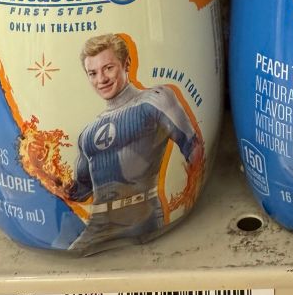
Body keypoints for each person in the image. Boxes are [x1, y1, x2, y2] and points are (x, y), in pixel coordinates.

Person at [65, 33, 204, 250]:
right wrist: (47, 177)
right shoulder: (87, 133)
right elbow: (81, 190)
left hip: (143, 219)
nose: (101, 79)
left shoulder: (155, 100)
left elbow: (193, 146)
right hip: (97, 225)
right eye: (93, 73)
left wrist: (190, 192)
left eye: (108, 68)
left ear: (126, 63)